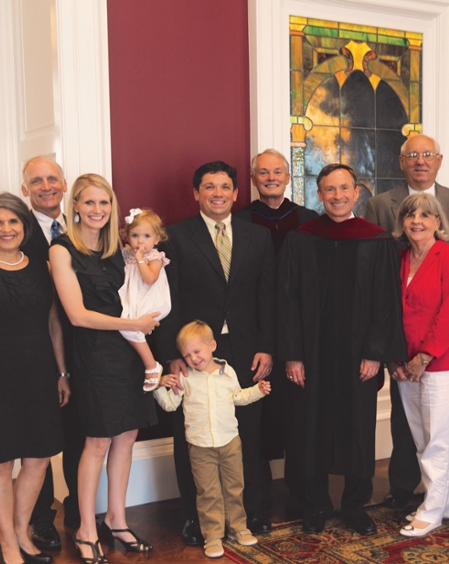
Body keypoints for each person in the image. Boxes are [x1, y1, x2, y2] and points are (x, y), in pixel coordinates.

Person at [277, 163, 407, 536]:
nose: (337, 196)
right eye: (329, 189)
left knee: (359, 430)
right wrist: (293, 354)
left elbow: (386, 301)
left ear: (356, 193)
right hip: (311, 357)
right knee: (310, 428)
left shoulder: (375, 239)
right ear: (319, 195)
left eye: (344, 189)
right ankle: (315, 504)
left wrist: (375, 353)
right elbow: (286, 300)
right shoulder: (301, 239)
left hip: (357, 358)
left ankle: (355, 505)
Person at [363, 133, 449, 510]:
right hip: (403, 335)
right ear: (401, 162)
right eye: (412, 155)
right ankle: (403, 488)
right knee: (407, 423)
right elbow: (372, 270)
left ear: (439, 159)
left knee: (440, 426)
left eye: (427, 154)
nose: (420, 160)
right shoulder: (379, 204)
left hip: (448, 336)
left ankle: (441, 494)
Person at [158, 161, 276, 546]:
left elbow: (266, 296)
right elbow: (166, 299)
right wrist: (172, 353)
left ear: (237, 192)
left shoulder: (256, 236)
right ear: (196, 193)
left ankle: (252, 512)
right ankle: (196, 517)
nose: (218, 193)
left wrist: (266, 346)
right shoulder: (175, 237)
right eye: (209, 187)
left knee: (250, 431)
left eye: (225, 186)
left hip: (245, 348)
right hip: (193, 349)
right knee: (192, 435)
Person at [50, 174, 159, 563]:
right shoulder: (62, 250)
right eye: (90, 203)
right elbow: (76, 316)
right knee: (96, 442)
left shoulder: (121, 249)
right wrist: (133, 325)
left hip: (130, 354)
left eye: (105, 203)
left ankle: (117, 519)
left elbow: (144, 287)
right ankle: (86, 528)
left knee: (126, 438)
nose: (97, 210)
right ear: (75, 206)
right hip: (94, 357)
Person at [0, 192, 69, 564]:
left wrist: (62, 373)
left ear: (24, 226)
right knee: (1, 461)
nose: (7, 229)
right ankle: (6, 542)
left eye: (13, 221)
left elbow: (54, 324)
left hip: (39, 372)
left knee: (38, 458)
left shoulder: (43, 267)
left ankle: (22, 531)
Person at [234, 148, 318, 515]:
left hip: (300, 333)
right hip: (257, 334)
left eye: (277, 171)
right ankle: (259, 501)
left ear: (288, 176)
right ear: (253, 179)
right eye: (263, 172)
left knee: (299, 417)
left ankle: (303, 494)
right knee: (257, 420)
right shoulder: (239, 221)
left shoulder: (309, 219)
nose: (271, 177)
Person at [388, 193, 449, 538]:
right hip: (404, 365)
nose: (417, 221)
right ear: (403, 222)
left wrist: (424, 357)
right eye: (410, 215)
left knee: (437, 440)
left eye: (426, 215)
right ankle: (446, 502)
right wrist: (397, 359)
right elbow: (391, 313)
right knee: (421, 439)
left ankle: (432, 509)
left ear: (439, 222)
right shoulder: (400, 260)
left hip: (443, 363)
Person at [154, 321, 270, 558]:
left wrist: (257, 390)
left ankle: (239, 527)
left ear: (212, 345)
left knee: (234, 488)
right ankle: (213, 536)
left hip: (230, 442)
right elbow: (169, 404)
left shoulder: (228, 372)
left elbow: (239, 396)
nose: (193, 358)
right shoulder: (185, 378)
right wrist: (158, 386)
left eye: (197, 351)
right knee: (208, 492)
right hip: (200, 446)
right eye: (187, 355)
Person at [19, 155, 83, 545]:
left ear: (64, 184)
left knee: (81, 429)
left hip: (83, 345)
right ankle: (40, 518)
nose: (46, 186)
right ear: (25, 189)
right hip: (35, 348)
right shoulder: (13, 230)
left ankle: (78, 508)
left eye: (53, 179)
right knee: (38, 438)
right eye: (37, 181)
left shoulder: (85, 226)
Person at [117, 208, 170, 392]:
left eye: (146, 236)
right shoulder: (127, 253)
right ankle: (150, 366)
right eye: (134, 235)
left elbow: (149, 279)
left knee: (128, 326)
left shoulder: (154, 257)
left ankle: (151, 365)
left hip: (152, 299)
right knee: (127, 325)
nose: (140, 241)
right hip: (135, 298)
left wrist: (140, 260)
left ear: (156, 239)